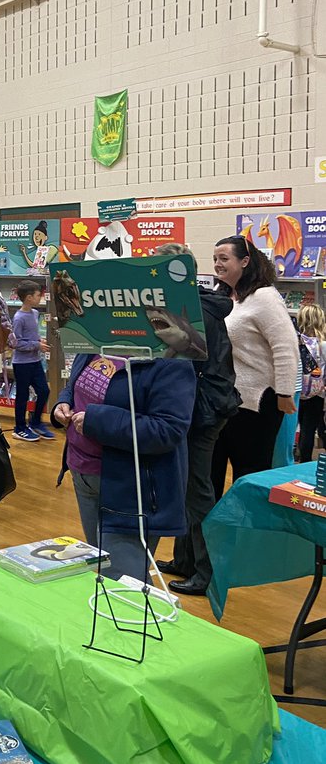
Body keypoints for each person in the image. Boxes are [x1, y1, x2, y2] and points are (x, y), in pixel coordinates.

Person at [52, 356, 195, 581]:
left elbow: (167, 430)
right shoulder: (96, 341)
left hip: (130, 487)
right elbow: (77, 385)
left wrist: (98, 420)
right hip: (84, 473)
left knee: (122, 583)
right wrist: (64, 401)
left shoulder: (170, 361)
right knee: (105, 569)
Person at [152, 244, 240, 596]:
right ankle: (184, 559)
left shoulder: (194, 309)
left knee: (197, 490)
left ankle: (207, 572)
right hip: (203, 405)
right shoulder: (198, 302)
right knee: (188, 487)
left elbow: (186, 362)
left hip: (202, 409)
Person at [209, 235, 299, 499]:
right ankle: (209, 535)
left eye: (224, 258)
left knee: (248, 475)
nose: (217, 264)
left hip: (256, 404)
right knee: (210, 472)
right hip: (221, 399)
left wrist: (284, 393)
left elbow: (285, 347)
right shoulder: (221, 295)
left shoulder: (264, 297)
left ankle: (247, 535)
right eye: (215, 259)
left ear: (245, 261)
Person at [11, 278, 53, 443]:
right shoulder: (18, 318)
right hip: (21, 364)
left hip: (34, 362)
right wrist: (36, 345)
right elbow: (16, 343)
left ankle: (35, 421)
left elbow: (30, 337)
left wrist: (38, 341)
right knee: (22, 396)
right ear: (28, 297)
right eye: (37, 295)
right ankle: (19, 427)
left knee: (44, 390)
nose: (39, 298)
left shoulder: (35, 314)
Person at [296, 304, 326, 463]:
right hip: (317, 393)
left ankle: (300, 456)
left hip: (298, 391)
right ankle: (306, 461)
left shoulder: (297, 341)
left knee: (300, 426)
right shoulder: (322, 344)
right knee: (310, 427)